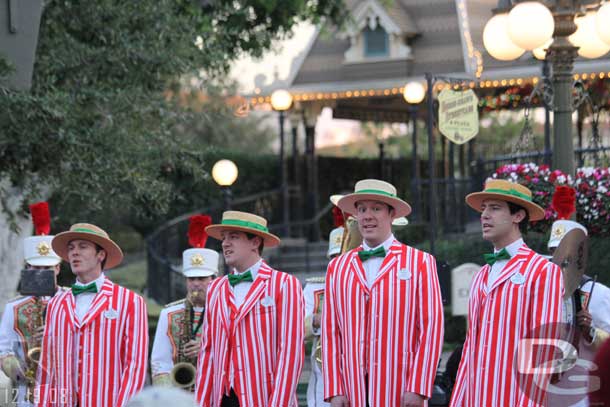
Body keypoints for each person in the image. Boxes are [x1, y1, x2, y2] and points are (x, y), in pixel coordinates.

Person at [323, 179, 444, 407]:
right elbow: (331, 334)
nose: (367, 216)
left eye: (376, 209)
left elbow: (431, 329)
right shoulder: (337, 267)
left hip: (401, 389)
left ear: (392, 215)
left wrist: (419, 387)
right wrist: (334, 388)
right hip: (352, 389)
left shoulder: (420, 262)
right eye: (362, 209)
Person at [450, 179, 564, 407]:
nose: (484, 215)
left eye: (494, 208)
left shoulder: (543, 271)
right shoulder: (481, 275)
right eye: (484, 209)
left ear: (518, 216)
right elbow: (471, 347)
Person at [195, 211, 304, 407]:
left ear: (255, 242)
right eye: (224, 238)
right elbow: (208, 353)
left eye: (234, 237)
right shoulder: (215, 289)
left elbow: (290, 353)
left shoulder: (284, 284)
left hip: (265, 398)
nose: (225, 243)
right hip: (224, 399)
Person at [36, 223, 148, 407]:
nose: (74, 252)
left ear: (101, 255)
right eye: (71, 248)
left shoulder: (130, 301)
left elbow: (135, 366)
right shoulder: (56, 303)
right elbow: (47, 366)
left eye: (83, 246)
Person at [546, 186, 610, 406]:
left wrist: (591, 331)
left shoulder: (598, 293)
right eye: (555, 250)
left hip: (579, 392)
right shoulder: (540, 288)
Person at [0, 203, 65, 406]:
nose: (41, 272)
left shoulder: (73, 301)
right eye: (36, 267)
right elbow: (4, 350)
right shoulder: (15, 307)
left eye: (47, 268)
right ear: (28, 267)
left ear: (58, 268)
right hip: (29, 395)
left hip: (69, 390)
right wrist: (21, 372)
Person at [151, 215, 218, 388]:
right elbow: (160, 361)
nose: (195, 283)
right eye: (191, 278)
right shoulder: (169, 313)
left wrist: (205, 349)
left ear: (214, 279)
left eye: (202, 278)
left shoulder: (225, 311)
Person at [304, 206, 345, 407]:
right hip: (324, 377)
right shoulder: (314, 287)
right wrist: (317, 320)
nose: (338, 263)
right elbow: (297, 329)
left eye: (343, 256)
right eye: (334, 258)